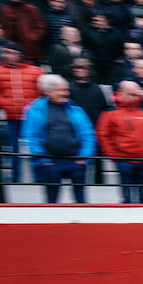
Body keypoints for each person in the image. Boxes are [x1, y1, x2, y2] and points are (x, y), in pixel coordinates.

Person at [23, 74, 96, 203]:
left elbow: (88, 134)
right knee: (52, 201)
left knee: (81, 200)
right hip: (51, 163)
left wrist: (84, 156)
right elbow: (32, 137)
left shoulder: (76, 110)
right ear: (48, 92)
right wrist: (44, 159)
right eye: (59, 90)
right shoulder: (35, 110)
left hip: (76, 162)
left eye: (65, 90)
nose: (64, 93)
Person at [0, 42, 43, 183]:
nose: (8, 56)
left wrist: (33, 108)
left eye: (12, 53)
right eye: (6, 52)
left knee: (35, 147)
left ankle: (38, 177)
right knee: (13, 148)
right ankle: (15, 178)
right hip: (10, 117)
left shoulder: (35, 70)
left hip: (31, 117)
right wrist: (6, 106)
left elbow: (41, 92)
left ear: (19, 54)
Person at [96, 81, 143, 204]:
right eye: (130, 93)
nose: (133, 96)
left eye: (135, 93)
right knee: (126, 200)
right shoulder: (110, 114)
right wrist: (114, 155)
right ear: (121, 93)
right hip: (123, 161)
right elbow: (103, 136)